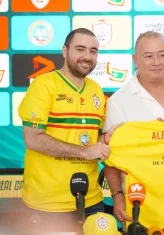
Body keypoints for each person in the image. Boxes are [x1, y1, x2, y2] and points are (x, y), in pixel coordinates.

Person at [17, 28, 109, 229]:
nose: (87, 56)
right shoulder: (43, 85)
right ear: (65, 51)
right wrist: (85, 152)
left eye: (93, 51)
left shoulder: (96, 90)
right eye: (80, 49)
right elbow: (32, 139)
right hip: (47, 204)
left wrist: (112, 137)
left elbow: (95, 141)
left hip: (91, 199)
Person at [102, 31, 164, 223]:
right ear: (135, 59)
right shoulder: (118, 102)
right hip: (141, 200)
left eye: (162, 54)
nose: (157, 61)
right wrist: (118, 196)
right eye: (148, 56)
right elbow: (110, 158)